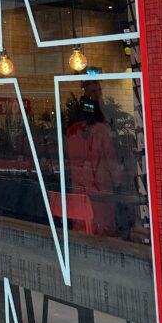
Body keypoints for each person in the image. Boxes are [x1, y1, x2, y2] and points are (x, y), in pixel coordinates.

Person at [65, 79, 121, 236]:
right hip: (97, 190)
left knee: (84, 229)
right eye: (94, 92)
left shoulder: (72, 132)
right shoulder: (99, 130)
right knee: (100, 229)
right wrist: (118, 181)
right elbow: (110, 158)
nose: (98, 95)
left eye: (99, 91)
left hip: (85, 189)